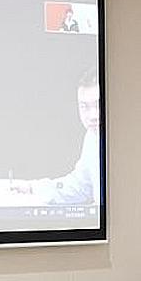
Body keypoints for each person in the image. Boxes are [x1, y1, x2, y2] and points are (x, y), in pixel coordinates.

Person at [36, 71, 102, 205]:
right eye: (84, 107)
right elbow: (80, 187)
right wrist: (32, 188)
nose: (93, 115)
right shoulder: (92, 136)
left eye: (98, 105)